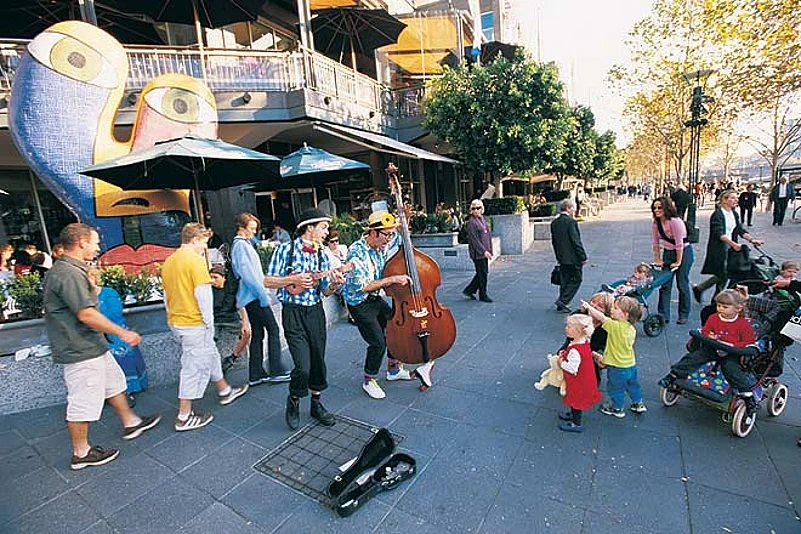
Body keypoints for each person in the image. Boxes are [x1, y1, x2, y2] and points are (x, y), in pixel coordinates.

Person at [43, 223, 161, 470]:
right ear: (81, 242)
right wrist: (122, 332)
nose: (98, 247)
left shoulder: (70, 269)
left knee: (114, 383)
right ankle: (81, 452)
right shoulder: (68, 273)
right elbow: (86, 313)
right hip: (81, 349)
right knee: (83, 400)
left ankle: (131, 422)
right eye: (95, 242)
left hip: (92, 344)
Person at [161, 223, 249, 432]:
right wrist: (209, 325)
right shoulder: (196, 261)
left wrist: (171, 318)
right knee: (192, 368)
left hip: (177, 321)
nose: (205, 247)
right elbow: (204, 298)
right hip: (195, 323)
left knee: (210, 355)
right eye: (203, 242)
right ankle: (183, 416)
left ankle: (225, 391)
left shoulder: (169, 261)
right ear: (194, 240)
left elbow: (166, 295)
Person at [265, 208, 345, 430]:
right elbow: (267, 280)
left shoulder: (321, 254)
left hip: (316, 313)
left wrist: (334, 284)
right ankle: (294, 398)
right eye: (323, 227)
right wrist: (293, 279)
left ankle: (316, 404)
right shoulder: (285, 250)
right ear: (310, 227)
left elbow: (325, 291)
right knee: (303, 366)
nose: (327, 232)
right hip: (293, 313)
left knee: (318, 360)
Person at [344, 211, 432, 400]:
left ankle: (393, 370)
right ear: (373, 232)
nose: (389, 239)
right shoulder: (356, 252)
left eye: (391, 234)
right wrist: (393, 279)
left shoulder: (382, 242)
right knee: (378, 342)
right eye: (387, 234)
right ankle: (369, 380)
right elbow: (363, 287)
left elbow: (400, 239)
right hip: (359, 303)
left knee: (394, 330)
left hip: (374, 298)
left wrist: (404, 221)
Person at [659, 289, 758, 412]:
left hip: (731, 352)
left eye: (725, 307)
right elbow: (705, 330)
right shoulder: (713, 318)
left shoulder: (743, 325)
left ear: (737, 309)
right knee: (694, 358)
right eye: (718, 305)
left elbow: (748, 342)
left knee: (732, 369)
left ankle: (748, 396)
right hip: (713, 347)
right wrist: (709, 336)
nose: (720, 309)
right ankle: (674, 375)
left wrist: (733, 345)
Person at [230, 213, 290, 386]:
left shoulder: (240, 245)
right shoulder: (242, 246)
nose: (254, 232)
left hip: (249, 297)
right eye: (251, 228)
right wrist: (264, 296)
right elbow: (249, 276)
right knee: (273, 329)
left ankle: (256, 373)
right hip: (255, 296)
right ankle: (276, 370)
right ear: (241, 228)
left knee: (258, 332)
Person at [86, 267, 149, 395]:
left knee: (123, 356)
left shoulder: (108, 293)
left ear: (94, 278)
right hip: (95, 335)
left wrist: (98, 320)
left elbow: (115, 313)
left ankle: (130, 388)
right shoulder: (83, 299)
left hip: (115, 332)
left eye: (89, 278)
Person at [581, 295, 646, 418]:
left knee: (615, 388)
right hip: (630, 365)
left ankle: (617, 408)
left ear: (625, 314)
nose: (611, 309)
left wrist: (589, 307)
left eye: (615, 308)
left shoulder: (615, 326)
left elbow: (601, 317)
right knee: (633, 385)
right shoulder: (631, 329)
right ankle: (638, 403)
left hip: (617, 367)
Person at [693, 190, 763, 303]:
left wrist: (752, 239)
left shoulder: (734, 213)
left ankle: (703, 290)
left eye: (736, 198)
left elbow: (739, 229)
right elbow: (719, 234)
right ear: (724, 200)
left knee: (725, 274)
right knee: (725, 273)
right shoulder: (717, 214)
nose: (736, 200)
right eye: (733, 198)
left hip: (731, 248)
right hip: (720, 249)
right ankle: (715, 300)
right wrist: (734, 244)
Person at [651, 196, 694, 324]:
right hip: (668, 252)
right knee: (665, 284)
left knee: (682, 283)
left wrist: (678, 262)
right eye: (654, 208)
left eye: (659, 207)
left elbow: (679, 244)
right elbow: (655, 243)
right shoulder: (656, 223)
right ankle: (663, 315)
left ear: (666, 208)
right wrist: (658, 259)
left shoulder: (675, 221)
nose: (657, 210)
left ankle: (683, 314)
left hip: (683, 252)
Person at [557, 314, 602, 433]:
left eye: (569, 326)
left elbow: (572, 368)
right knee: (576, 400)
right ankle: (573, 414)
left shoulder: (575, 350)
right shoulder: (584, 341)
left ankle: (576, 424)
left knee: (576, 401)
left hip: (579, 382)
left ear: (578, 331)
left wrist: (561, 362)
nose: (566, 328)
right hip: (585, 378)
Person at [209, 264, 252, 374]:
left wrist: (245, 322)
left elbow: (241, 305)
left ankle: (232, 357)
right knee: (208, 341)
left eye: (215, 277)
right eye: (211, 277)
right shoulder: (208, 290)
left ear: (224, 278)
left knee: (247, 333)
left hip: (230, 319)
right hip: (215, 320)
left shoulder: (231, 288)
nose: (212, 280)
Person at [551, 199, 587, 313]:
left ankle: (562, 304)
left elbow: (554, 241)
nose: (574, 210)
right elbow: (576, 241)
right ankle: (563, 301)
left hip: (561, 257)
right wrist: (583, 256)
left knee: (565, 281)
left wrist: (558, 256)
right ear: (568, 208)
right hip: (573, 257)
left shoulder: (554, 223)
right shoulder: (571, 222)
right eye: (573, 208)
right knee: (577, 279)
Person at [462, 199, 494, 303]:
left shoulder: (482, 219)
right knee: (482, 273)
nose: (476, 210)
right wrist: (484, 251)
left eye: (478, 208)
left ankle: (469, 290)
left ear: (482, 209)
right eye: (473, 208)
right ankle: (483, 294)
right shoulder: (471, 222)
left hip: (484, 251)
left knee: (482, 273)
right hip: (477, 253)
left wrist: (489, 250)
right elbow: (474, 240)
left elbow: (487, 236)